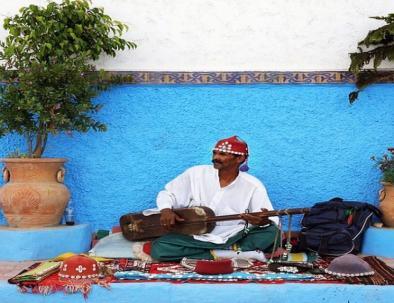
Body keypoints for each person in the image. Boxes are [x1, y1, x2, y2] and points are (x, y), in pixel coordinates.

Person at [150, 136, 279, 261]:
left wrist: (262, 222)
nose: (215, 158)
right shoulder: (196, 174)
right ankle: (234, 253)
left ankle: (221, 253)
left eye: (222, 154)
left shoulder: (253, 185)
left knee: (272, 233)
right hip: (195, 237)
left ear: (240, 158)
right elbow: (169, 193)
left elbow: (270, 220)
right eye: (214, 153)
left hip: (233, 236)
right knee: (160, 248)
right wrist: (166, 210)